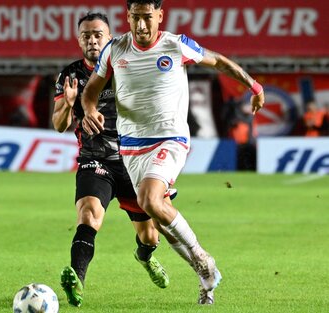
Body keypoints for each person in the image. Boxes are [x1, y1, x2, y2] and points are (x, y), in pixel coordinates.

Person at [81, 0, 266, 305]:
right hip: (131, 148)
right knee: (162, 224)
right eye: (135, 18)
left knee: (148, 199)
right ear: (127, 17)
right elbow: (91, 89)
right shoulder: (114, 50)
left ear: (160, 16)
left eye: (147, 18)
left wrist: (254, 86)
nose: (141, 26)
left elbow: (218, 61)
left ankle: (202, 257)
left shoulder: (176, 45)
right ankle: (206, 282)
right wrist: (88, 110)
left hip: (170, 138)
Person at [53, 12, 171, 308]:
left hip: (134, 161)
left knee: (149, 236)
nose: (92, 40)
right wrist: (69, 106)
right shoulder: (69, 76)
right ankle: (77, 281)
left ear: (109, 38)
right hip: (95, 160)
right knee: (89, 215)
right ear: (79, 40)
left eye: (97, 34)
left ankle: (144, 256)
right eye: (86, 35)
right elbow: (58, 125)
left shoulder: (128, 66)